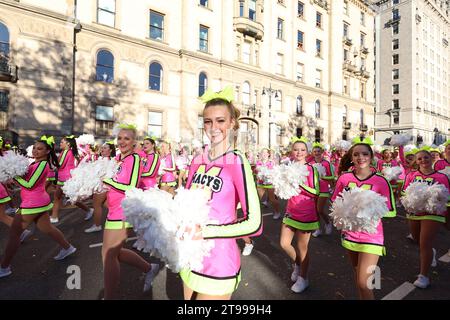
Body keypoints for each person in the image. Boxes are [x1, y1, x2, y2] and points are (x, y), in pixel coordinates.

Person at [180, 86, 262, 300]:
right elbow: (185, 205)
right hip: (190, 255)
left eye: (220, 121)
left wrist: (205, 232)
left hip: (219, 262)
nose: (213, 127)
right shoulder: (197, 159)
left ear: (232, 123)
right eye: (208, 121)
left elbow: (255, 223)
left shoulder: (237, 161)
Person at [0, 136, 77, 278]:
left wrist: (13, 175)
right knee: (47, 228)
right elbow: (26, 181)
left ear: (47, 151)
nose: (35, 150)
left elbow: (30, 185)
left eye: (40, 149)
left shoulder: (43, 165)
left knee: (14, 235)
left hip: (32, 204)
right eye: (34, 147)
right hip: (38, 202)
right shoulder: (34, 163)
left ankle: (4, 267)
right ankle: (68, 247)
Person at [331, 138, 396, 299]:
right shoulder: (344, 178)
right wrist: (347, 210)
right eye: (356, 154)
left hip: (372, 235)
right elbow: (335, 201)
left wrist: (366, 210)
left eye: (365, 154)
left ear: (371, 156)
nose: (361, 157)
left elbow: (391, 211)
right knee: (358, 274)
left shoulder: (381, 181)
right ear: (351, 158)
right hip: (350, 234)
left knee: (363, 282)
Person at [101, 124, 159, 299]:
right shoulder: (120, 159)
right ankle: (149, 268)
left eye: (127, 138)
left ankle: (109, 297)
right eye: (120, 138)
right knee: (115, 252)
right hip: (114, 209)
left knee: (108, 255)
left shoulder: (134, 159)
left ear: (134, 142)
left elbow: (131, 186)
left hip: (123, 211)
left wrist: (107, 181)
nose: (122, 141)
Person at [401, 148, 449, 288]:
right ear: (416, 161)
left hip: (433, 213)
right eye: (420, 158)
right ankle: (431, 252)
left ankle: (424, 276)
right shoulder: (411, 175)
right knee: (417, 239)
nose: (423, 160)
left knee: (425, 243)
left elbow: (446, 197)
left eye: (426, 157)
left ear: (431, 159)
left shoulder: (441, 177)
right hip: (415, 212)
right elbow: (405, 192)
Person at [280, 136, 320, 293]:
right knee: (284, 244)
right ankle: (297, 264)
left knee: (302, 247)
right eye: (296, 149)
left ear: (307, 152)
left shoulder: (311, 169)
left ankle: (304, 278)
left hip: (306, 213)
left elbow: (316, 192)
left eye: (302, 150)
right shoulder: (287, 166)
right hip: (290, 210)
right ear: (292, 151)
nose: (299, 152)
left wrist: (300, 184)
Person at [50, 135, 93, 224]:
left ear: (68, 144)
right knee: (58, 197)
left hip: (66, 179)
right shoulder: (65, 151)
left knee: (72, 199)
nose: (60, 143)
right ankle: (54, 217)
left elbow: (60, 165)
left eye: (62, 142)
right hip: (62, 178)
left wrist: (52, 157)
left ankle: (89, 209)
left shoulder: (66, 152)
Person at [85, 141, 116, 233]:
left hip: (103, 186)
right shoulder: (101, 159)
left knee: (96, 205)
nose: (102, 149)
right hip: (100, 185)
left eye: (105, 148)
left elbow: (109, 175)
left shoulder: (110, 161)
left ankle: (97, 225)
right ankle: (121, 217)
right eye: (102, 147)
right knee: (107, 205)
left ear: (110, 150)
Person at [310, 142, 335, 237]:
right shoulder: (310, 163)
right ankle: (318, 228)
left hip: (323, 190)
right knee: (314, 210)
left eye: (318, 151)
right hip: (313, 189)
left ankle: (328, 222)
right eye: (315, 151)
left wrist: (323, 177)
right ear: (312, 152)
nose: (316, 153)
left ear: (322, 152)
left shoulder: (326, 163)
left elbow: (332, 176)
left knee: (319, 210)